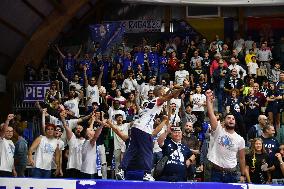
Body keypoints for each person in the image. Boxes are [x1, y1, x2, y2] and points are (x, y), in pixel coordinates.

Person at [116, 86, 184, 181]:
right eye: (163, 90)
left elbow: (166, 95)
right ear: (160, 92)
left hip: (135, 127)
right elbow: (170, 96)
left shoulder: (151, 102)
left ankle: (121, 170)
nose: (165, 91)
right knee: (148, 151)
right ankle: (147, 173)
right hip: (144, 128)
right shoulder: (158, 100)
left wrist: (171, 88)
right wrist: (183, 87)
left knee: (132, 149)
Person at [205, 90, 247, 183]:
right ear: (224, 121)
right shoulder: (218, 130)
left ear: (235, 122)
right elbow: (211, 114)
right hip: (215, 172)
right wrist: (208, 99)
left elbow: (242, 158)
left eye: (233, 119)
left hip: (232, 174)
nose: (231, 120)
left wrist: (243, 175)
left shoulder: (240, 139)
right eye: (228, 118)